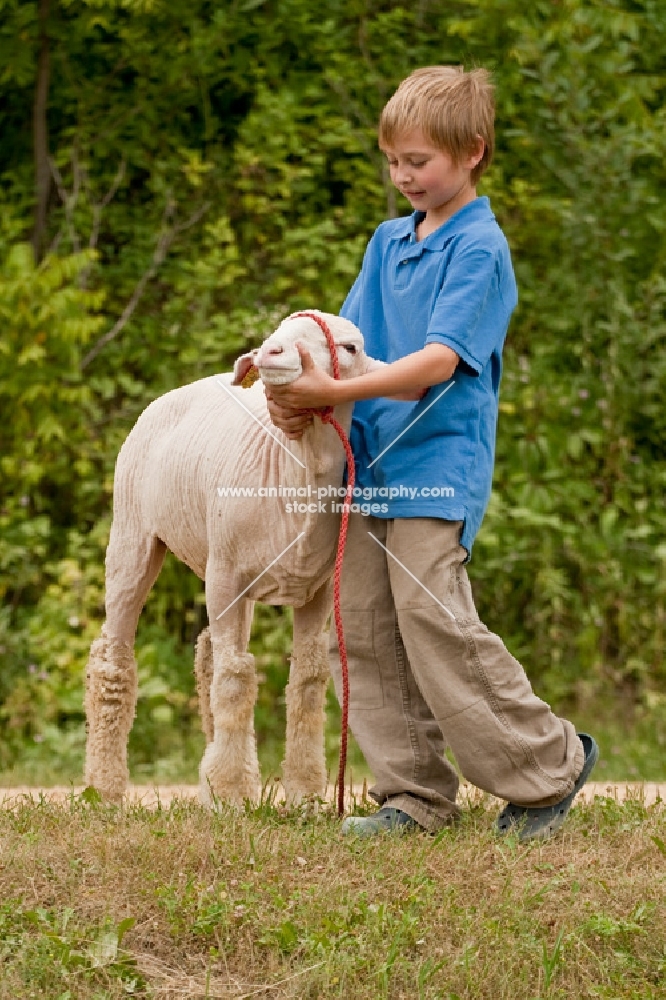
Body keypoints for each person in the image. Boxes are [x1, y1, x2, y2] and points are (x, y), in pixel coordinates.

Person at [266, 65, 597, 840]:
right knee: (364, 621)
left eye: (420, 161)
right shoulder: (387, 242)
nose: (404, 176)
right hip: (368, 460)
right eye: (394, 161)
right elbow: (343, 344)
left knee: (429, 610)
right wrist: (303, 388)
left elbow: (437, 364)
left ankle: (549, 767)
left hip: (435, 464)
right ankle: (413, 796)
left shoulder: (480, 250)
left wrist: (336, 391)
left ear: (473, 151)